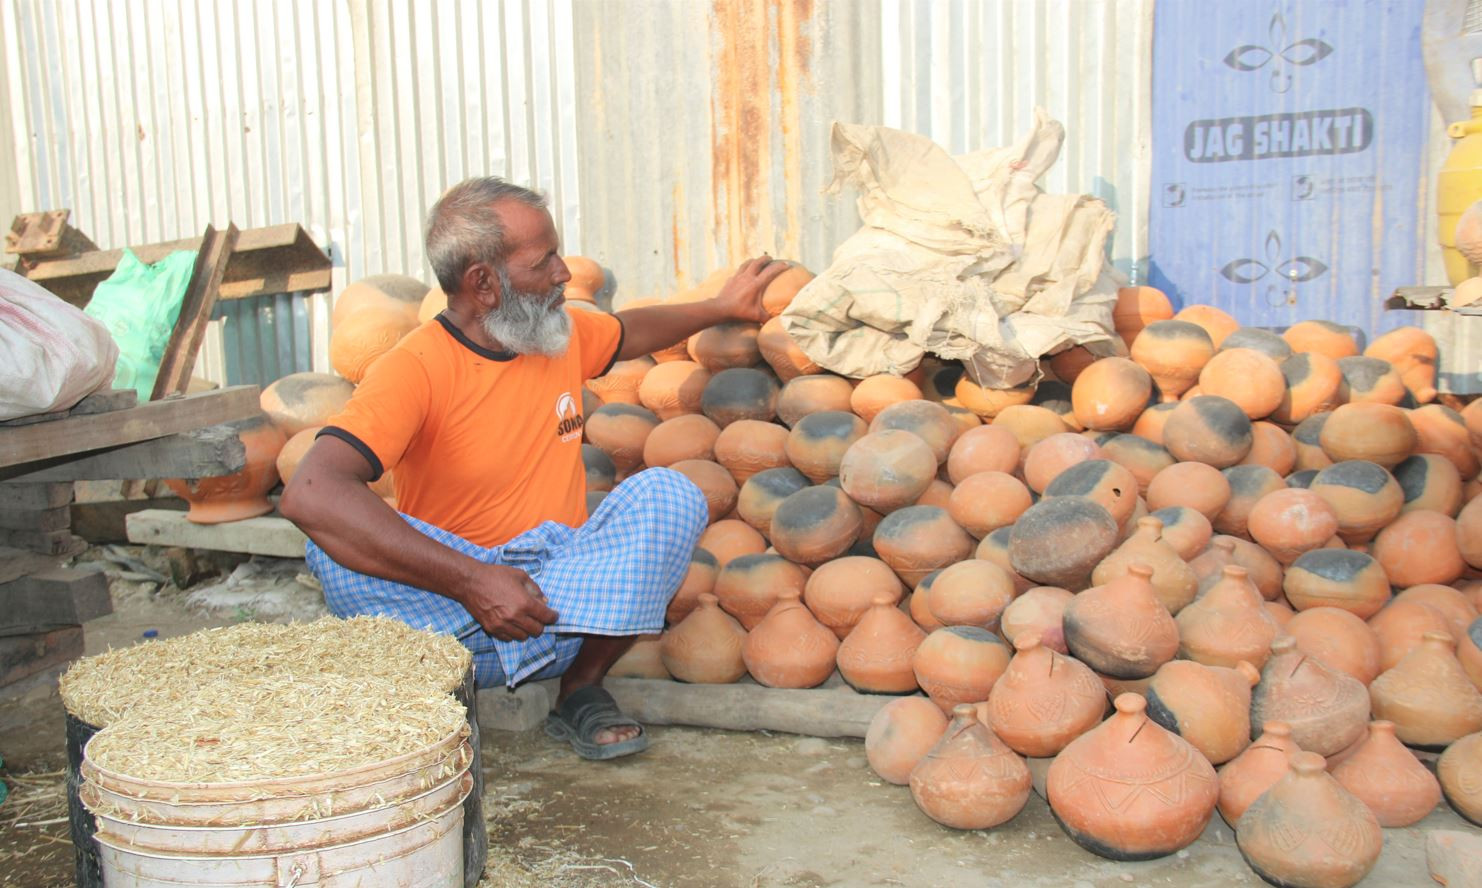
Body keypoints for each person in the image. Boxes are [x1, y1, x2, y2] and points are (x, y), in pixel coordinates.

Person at [280, 176, 788, 761]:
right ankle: (440, 674)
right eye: (543, 261)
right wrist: (474, 581)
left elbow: (628, 333)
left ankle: (580, 687)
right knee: (326, 547)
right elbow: (310, 491)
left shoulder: (555, 335)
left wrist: (720, 307)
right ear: (483, 284)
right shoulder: (413, 368)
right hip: (452, 608)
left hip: (556, 605)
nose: (563, 274)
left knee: (670, 496)